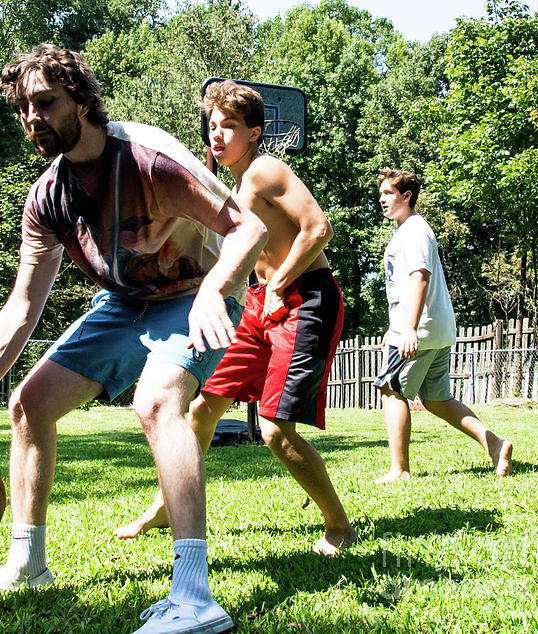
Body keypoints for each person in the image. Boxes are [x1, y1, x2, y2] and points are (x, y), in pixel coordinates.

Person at [0, 45, 268, 634]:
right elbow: (23, 304)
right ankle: (28, 564)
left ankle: (194, 597)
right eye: (23, 107)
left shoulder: (149, 158)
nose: (32, 117)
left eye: (45, 102)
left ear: (81, 101)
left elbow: (247, 226)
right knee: (29, 405)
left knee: (158, 400)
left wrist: (216, 289)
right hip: (123, 303)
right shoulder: (47, 197)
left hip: (195, 296)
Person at [115, 79, 357, 555]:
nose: (217, 135)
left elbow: (317, 229)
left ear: (254, 132)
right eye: (212, 126)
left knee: (273, 429)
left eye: (229, 127)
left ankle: (339, 526)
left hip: (305, 298)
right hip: (259, 302)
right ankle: (168, 505)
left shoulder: (266, 170)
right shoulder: (234, 186)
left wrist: (278, 285)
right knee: (201, 408)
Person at [372, 168, 513, 482]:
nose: (382, 199)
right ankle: (495, 444)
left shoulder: (414, 230)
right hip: (432, 328)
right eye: (380, 193)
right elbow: (402, 287)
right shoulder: (406, 231)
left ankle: (399, 470)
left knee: (390, 389)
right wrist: (395, 326)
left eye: (388, 193)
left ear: (407, 196)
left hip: (419, 329)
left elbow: (420, 277)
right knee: (436, 398)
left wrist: (407, 329)